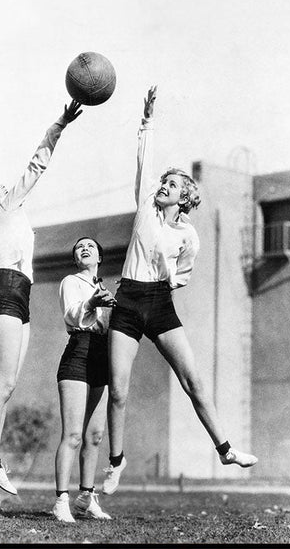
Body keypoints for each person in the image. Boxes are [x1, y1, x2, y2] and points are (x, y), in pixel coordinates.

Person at [102, 86, 258, 495]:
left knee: (195, 382)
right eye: (164, 182)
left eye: (172, 183)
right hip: (129, 300)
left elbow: (183, 273)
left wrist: (169, 280)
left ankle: (225, 449)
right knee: (118, 390)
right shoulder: (144, 211)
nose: (163, 186)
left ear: (186, 196)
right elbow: (143, 163)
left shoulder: (188, 234)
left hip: (160, 303)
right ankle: (116, 462)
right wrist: (147, 121)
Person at [0, 99, 83, 507]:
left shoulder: (6, 211)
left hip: (20, 295)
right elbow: (36, 164)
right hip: (7, 292)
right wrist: (60, 122)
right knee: (2, 385)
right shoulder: (4, 206)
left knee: (8, 387)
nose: (2, 183)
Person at [52, 237, 116, 523]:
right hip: (78, 353)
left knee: (95, 435)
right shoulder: (70, 281)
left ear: (99, 257)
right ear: (76, 258)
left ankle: (87, 499)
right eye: (79, 247)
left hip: (102, 355)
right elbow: (73, 314)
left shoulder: (105, 289)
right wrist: (92, 302)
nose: (85, 249)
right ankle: (61, 501)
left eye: (91, 246)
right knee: (73, 435)